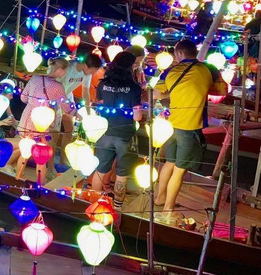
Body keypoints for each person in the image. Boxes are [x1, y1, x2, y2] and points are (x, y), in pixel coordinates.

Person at [153, 39, 227, 223]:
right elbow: (222, 90)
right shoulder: (207, 69)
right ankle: (168, 209)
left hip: (170, 125)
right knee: (179, 170)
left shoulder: (170, 71)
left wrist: (174, 93)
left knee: (169, 163)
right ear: (195, 52)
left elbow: (156, 94)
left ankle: (160, 198)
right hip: (190, 127)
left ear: (178, 54)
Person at [90, 52, 144, 210]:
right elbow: (136, 117)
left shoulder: (103, 83)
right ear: (130, 67)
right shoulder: (134, 88)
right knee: (122, 173)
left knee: (100, 169)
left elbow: (98, 104)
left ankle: (94, 203)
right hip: (124, 135)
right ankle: (118, 207)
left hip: (104, 132)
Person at [10, 58, 72, 183]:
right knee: (41, 154)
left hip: (28, 116)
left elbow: (23, 98)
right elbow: (67, 106)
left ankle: (18, 178)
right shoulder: (57, 86)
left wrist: (33, 102)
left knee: (25, 150)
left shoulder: (35, 78)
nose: (65, 74)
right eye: (65, 71)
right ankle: (40, 184)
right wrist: (76, 114)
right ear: (60, 71)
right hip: (42, 119)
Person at [59, 52, 103, 163]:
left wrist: (88, 112)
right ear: (86, 65)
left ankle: (63, 160)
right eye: (92, 71)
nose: (92, 74)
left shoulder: (87, 73)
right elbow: (57, 88)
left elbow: (85, 91)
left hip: (68, 98)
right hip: (56, 98)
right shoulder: (68, 67)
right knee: (53, 132)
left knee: (69, 130)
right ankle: (49, 166)